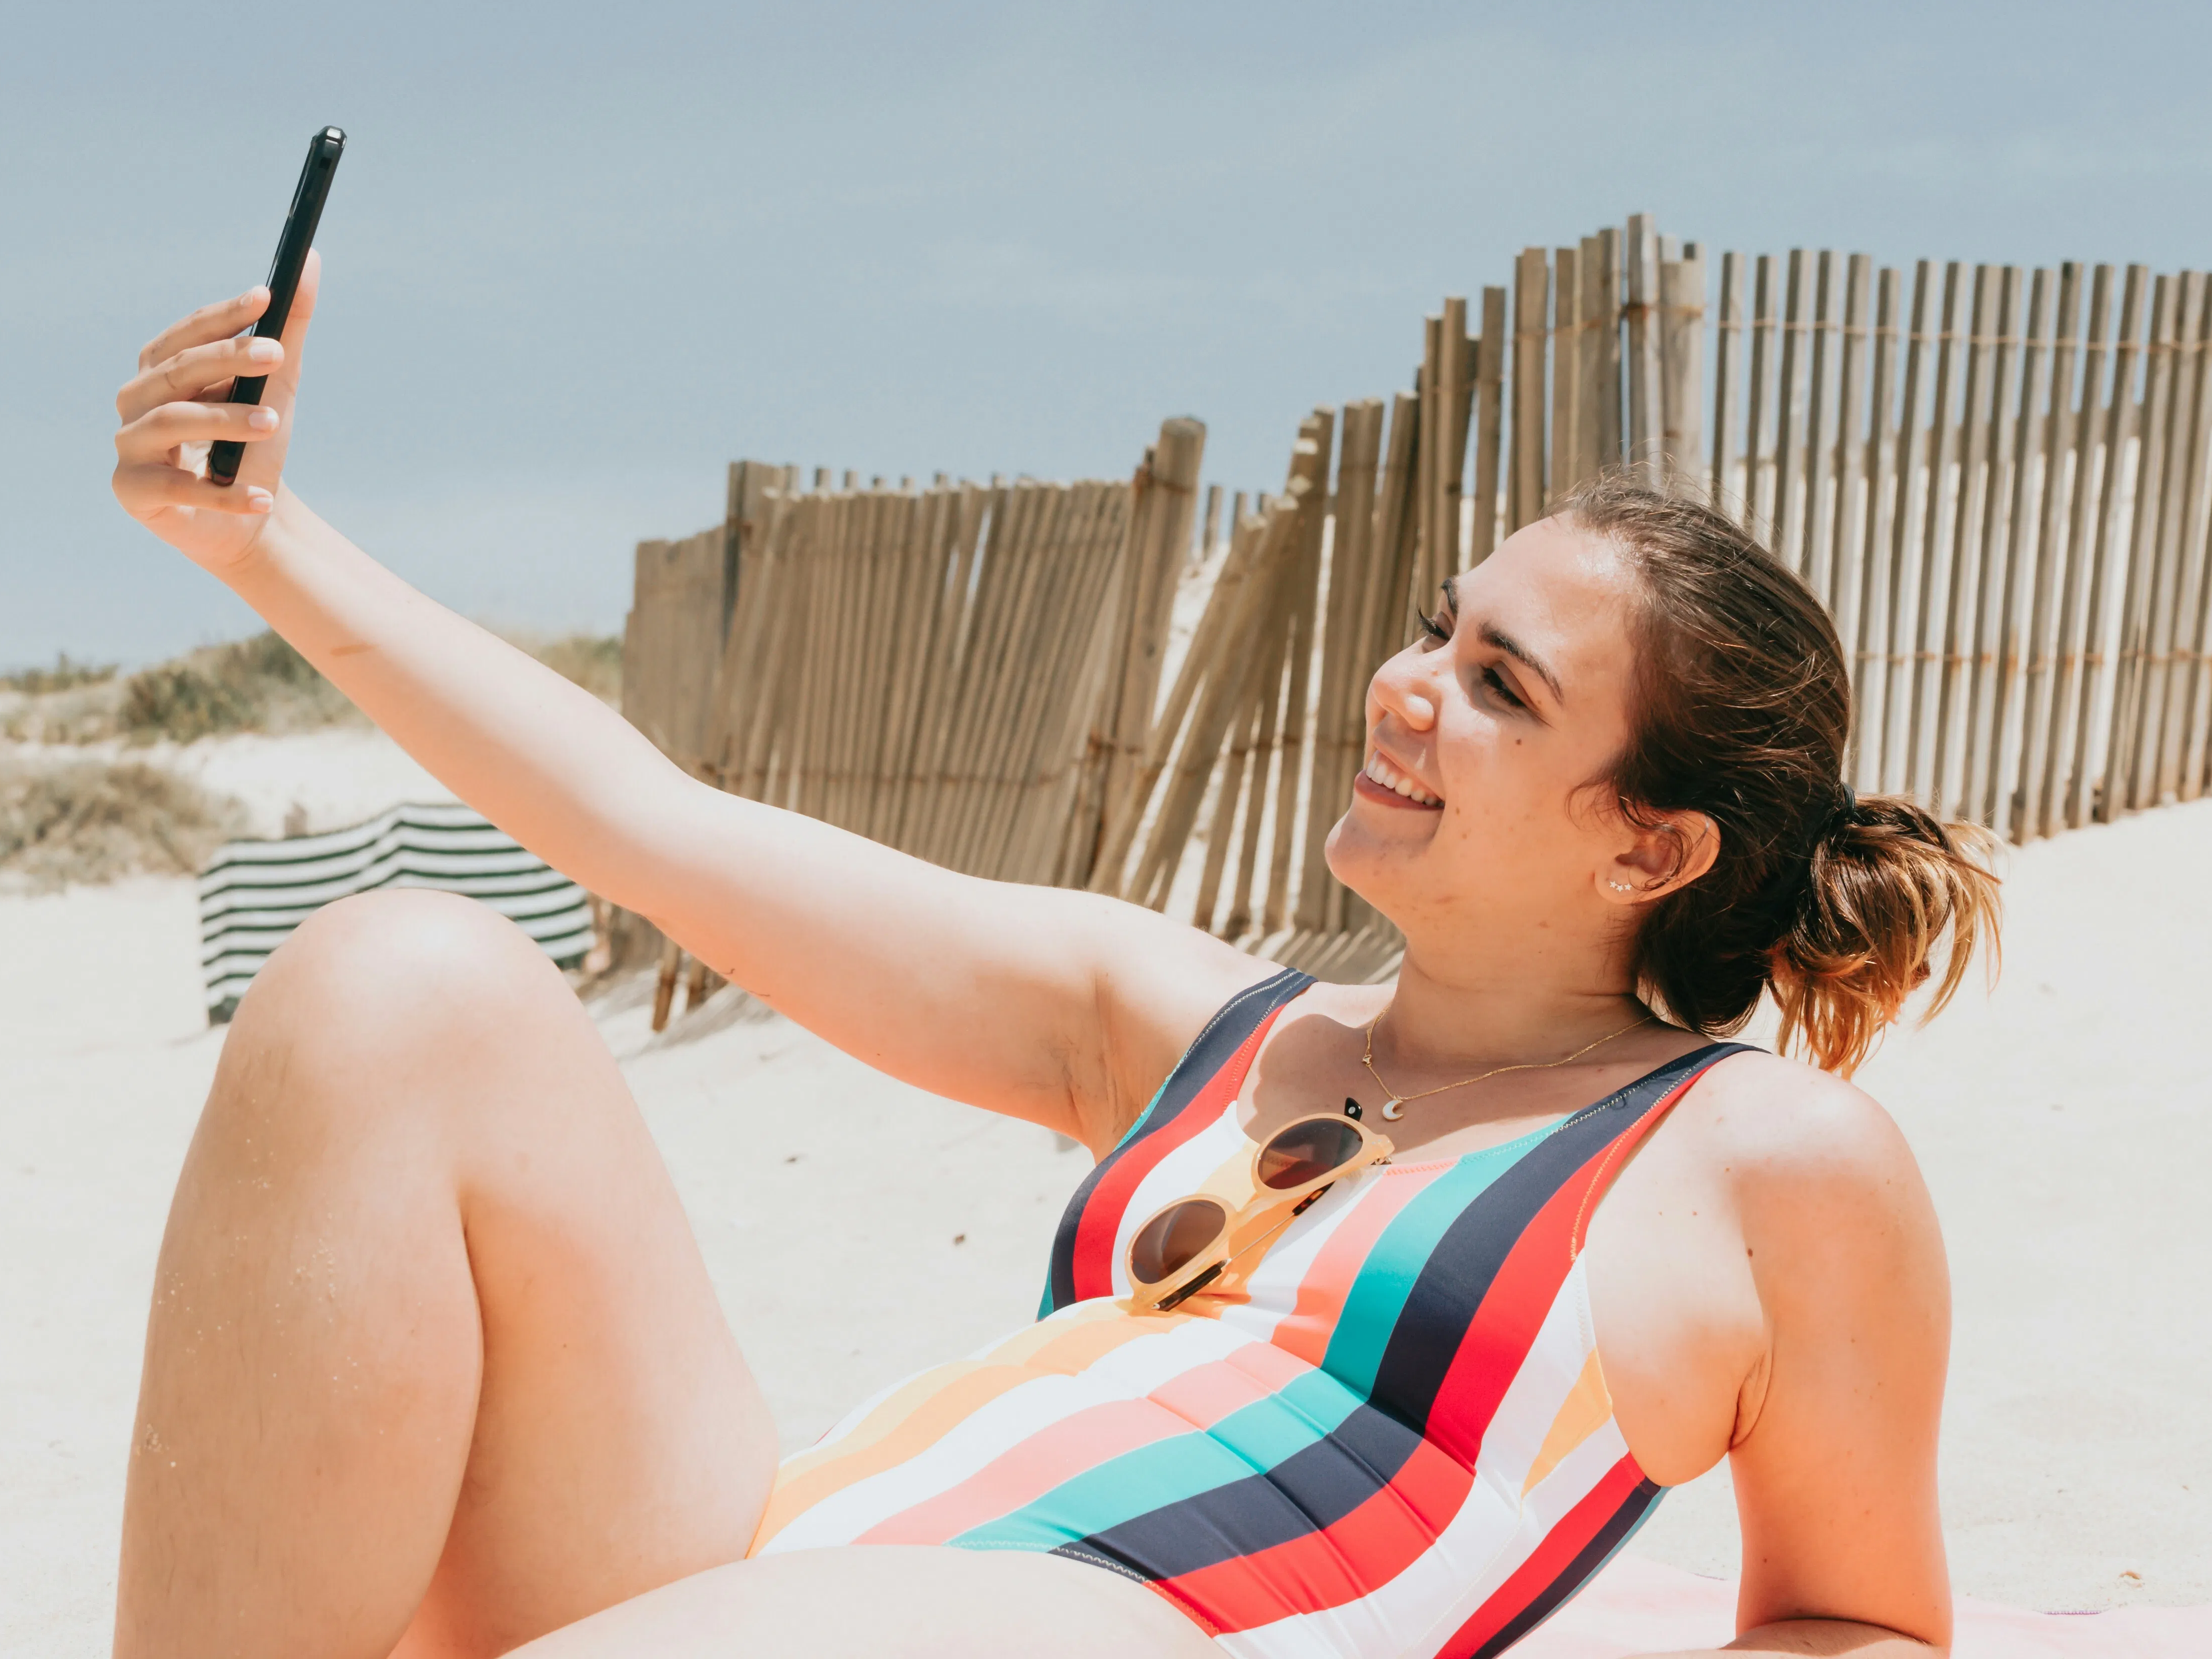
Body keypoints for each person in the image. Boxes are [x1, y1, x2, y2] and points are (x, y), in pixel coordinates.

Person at [106, 257, 1999, 1659]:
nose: (1404, 686)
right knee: (396, 985)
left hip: (1110, 1625)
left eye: (1498, 685)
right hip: (789, 1574)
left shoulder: (1759, 1161)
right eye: (1438, 627)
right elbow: (649, 822)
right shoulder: (1189, 1024)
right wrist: (265, 547)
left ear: (1651, 844)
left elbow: (1862, 1626)